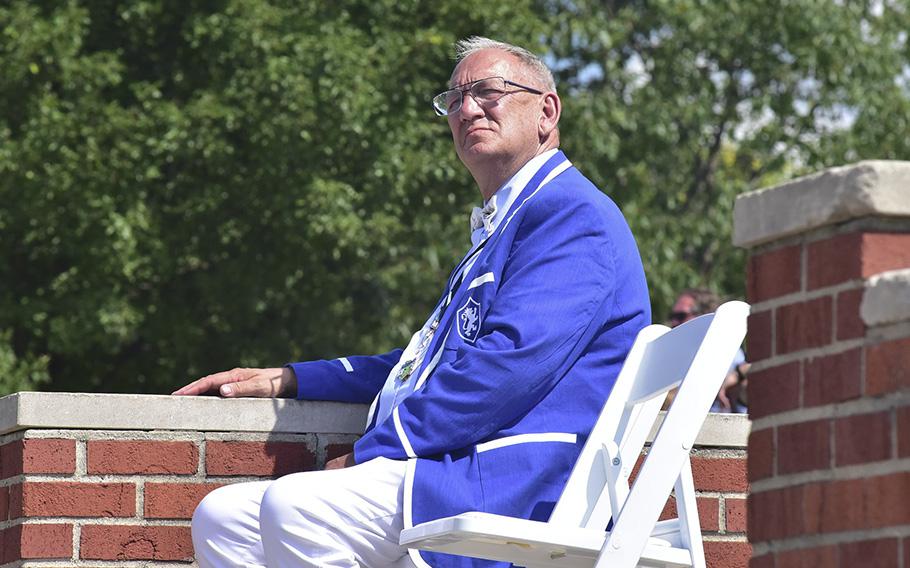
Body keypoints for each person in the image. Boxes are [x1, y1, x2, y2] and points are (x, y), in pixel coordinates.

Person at [174, 37, 650, 568]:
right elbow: (422, 366)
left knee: (295, 506)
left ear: (547, 110)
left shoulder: (572, 215)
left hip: (513, 484)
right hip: (452, 468)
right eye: (454, 100)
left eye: (488, 92)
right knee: (222, 519)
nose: (467, 109)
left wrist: (370, 452)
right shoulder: (504, 228)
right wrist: (293, 378)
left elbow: (505, 367)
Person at [667, 288, 748, 413]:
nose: (674, 322)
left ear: (703, 316)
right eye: (672, 316)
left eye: (680, 316)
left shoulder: (726, 353)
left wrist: (738, 374)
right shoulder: (676, 357)